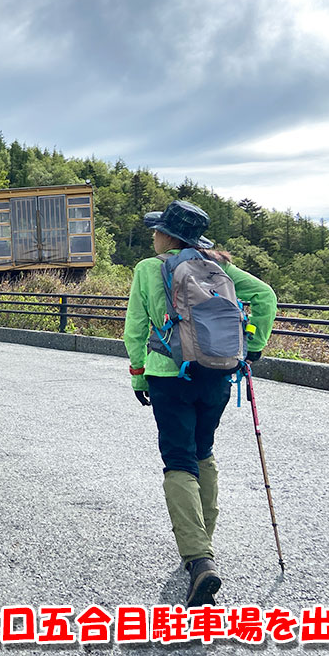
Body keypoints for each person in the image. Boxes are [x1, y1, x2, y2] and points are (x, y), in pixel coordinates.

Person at [124, 200, 277, 607]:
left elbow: (136, 327)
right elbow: (264, 296)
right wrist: (253, 348)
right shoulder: (217, 265)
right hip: (217, 373)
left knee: (178, 459)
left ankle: (198, 559)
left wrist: (139, 374)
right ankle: (203, 542)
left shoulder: (148, 269)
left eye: (157, 230)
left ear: (167, 235)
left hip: (168, 375)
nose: (153, 236)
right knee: (203, 451)